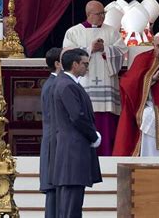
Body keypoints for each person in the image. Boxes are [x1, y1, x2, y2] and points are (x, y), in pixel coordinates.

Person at [63, 0, 128, 156]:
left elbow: (122, 51)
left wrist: (105, 49)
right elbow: (67, 55)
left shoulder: (112, 32)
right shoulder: (74, 32)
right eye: (99, 14)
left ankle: (107, 157)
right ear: (89, 14)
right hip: (85, 85)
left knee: (107, 126)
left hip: (106, 86)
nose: (102, 17)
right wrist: (89, 49)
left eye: (103, 14)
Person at [52, 48, 102, 217]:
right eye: (85, 64)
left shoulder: (68, 83)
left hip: (72, 152)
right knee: (71, 207)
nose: (87, 68)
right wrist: (94, 135)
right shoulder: (67, 85)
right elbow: (77, 116)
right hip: (72, 153)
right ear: (74, 64)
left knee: (72, 205)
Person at [39, 47, 62, 218]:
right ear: (57, 64)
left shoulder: (54, 83)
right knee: (54, 193)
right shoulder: (54, 85)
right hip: (54, 141)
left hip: (55, 140)